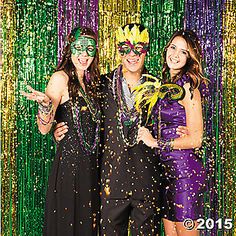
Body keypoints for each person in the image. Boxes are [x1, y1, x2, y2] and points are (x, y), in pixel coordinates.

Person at [54, 23, 188, 235]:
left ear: (146, 50)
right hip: (111, 183)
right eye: (125, 48)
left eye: (138, 48)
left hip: (147, 182)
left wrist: (181, 130)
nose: (132, 55)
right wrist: (57, 127)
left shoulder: (158, 86)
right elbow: (83, 117)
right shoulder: (100, 85)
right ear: (118, 50)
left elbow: (172, 120)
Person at [21, 26, 101, 236]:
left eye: (89, 49)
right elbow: (43, 128)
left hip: (92, 170)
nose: (84, 55)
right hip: (70, 169)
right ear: (69, 49)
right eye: (78, 48)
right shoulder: (60, 78)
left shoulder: (91, 82)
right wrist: (46, 106)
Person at [137, 29, 208, 236]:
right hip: (166, 174)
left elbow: (196, 139)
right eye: (173, 47)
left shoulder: (188, 86)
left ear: (190, 58)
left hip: (185, 174)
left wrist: (156, 142)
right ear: (166, 49)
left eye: (184, 52)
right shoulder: (164, 85)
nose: (176, 55)